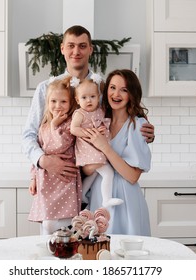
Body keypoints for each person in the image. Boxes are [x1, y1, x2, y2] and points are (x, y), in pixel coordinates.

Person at [22, 25, 155, 184]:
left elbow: (120, 121)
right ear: (62, 49)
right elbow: (29, 135)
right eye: (71, 46)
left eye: (82, 46)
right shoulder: (46, 88)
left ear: (91, 49)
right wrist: (42, 161)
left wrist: (144, 132)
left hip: (95, 177)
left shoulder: (103, 88)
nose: (76, 51)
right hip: (56, 177)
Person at [84, 69, 151, 236]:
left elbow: (132, 176)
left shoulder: (137, 125)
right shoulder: (98, 120)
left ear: (132, 94)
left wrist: (105, 147)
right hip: (99, 197)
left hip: (125, 200)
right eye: (112, 87)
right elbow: (86, 168)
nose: (116, 94)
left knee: (125, 254)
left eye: (124, 90)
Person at [27, 76, 82, 235]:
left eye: (63, 102)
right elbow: (38, 151)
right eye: (53, 101)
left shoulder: (69, 124)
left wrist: (54, 126)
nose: (58, 106)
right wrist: (33, 178)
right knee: (47, 222)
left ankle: (74, 226)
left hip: (63, 180)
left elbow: (59, 145)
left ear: (71, 103)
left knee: (54, 223)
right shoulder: (43, 125)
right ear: (48, 102)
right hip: (45, 181)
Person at [70, 74, 123, 208]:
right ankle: (107, 199)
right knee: (108, 172)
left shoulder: (100, 111)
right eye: (84, 97)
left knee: (94, 174)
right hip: (88, 148)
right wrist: (89, 133)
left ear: (98, 97)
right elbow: (73, 129)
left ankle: (82, 194)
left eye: (92, 97)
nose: (89, 100)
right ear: (77, 100)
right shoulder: (80, 113)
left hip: (98, 146)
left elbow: (108, 122)